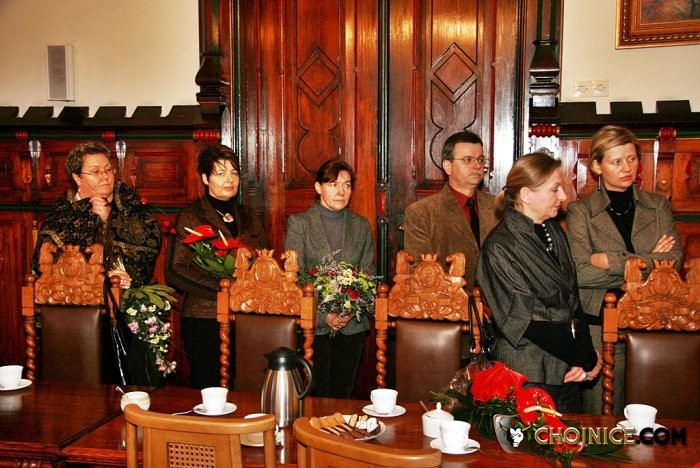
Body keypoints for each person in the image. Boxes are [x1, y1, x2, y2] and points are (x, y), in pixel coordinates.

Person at [566, 125, 682, 415]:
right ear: (597, 166)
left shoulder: (657, 205)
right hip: (599, 324)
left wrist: (610, 260)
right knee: (602, 418)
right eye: (616, 161)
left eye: (632, 159)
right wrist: (649, 259)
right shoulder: (581, 211)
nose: (627, 168)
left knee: (652, 414)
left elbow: (673, 262)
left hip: (653, 324)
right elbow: (580, 272)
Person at [476, 152, 602, 413]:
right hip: (527, 373)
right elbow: (526, 322)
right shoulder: (500, 246)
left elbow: (573, 300)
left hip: (567, 370)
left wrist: (585, 355)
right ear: (526, 194)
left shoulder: (553, 231)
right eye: (555, 189)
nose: (563, 196)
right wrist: (584, 357)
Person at [32, 141, 162, 385]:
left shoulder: (129, 203)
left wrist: (109, 218)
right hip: (72, 313)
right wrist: (97, 278)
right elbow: (45, 264)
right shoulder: (61, 214)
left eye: (108, 169)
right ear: (76, 177)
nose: (105, 176)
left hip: (126, 306)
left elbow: (150, 243)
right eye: (95, 171)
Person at [166, 143, 268, 389]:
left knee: (248, 386)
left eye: (233, 173)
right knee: (210, 389)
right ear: (205, 178)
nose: (229, 179)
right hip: (204, 315)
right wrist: (222, 290)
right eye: (221, 173)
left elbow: (265, 260)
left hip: (246, 316)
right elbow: (174, 271)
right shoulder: (191, 216)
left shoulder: (249, 215)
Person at [284, 160, 376, 398]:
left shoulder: (360, 225)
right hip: (313, 326)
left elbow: (368, 272)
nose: (341, 191)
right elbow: (295, 278)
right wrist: (324, 316)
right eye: (333, 184)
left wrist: (349, 310)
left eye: (347, 185)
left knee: (343, 395)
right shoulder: (300, 224)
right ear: (318, 187)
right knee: (316, 396)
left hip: (352, 325)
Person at [403, 131, 498, 289]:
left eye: (480, 159)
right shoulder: (422, 212)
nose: (477, 165)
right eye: (468, 160)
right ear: (448, 166)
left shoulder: (498, 207)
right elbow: (421, 273)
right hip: (447, 300)